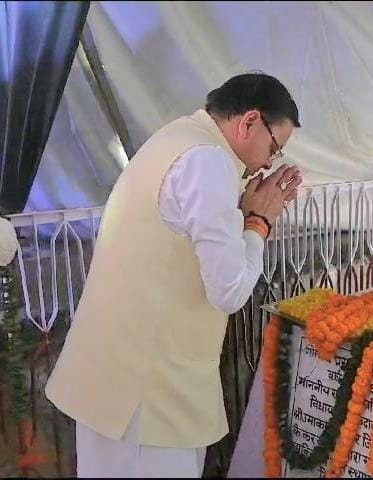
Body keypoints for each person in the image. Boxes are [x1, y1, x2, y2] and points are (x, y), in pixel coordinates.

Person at [45, 73, 302, 478]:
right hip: (144, 398)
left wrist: (242, 215)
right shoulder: (208, 162)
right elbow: (230, 290)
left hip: (121, 387)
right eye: (274, 147)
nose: (270, 162)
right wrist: (259, 223)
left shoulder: (178, 138)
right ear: (250, 121)